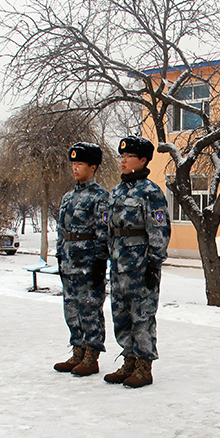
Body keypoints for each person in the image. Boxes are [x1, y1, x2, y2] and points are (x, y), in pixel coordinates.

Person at [103, 135, 170, 388]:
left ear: (142, 160)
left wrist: (154, 263)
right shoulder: (117, 192)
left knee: (142, 316)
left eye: (128, 157)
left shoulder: (151, 192)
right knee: (120, 315)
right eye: (121, 156)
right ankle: (128, 360)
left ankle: (144, 366)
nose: (123, 161)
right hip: (118, 265)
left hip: (140, 265)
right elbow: (111, 229)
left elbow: (159, 230)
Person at [53, 142, 110, 376]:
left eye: (80, 164)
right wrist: (59, 254)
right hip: (68, 261)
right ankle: (77, 348)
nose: (75, 168)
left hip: (87, 263)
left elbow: (103, 232)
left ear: (93, 167)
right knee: (71, 309)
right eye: (73, 164)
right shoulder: (68, 197)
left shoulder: (101, 197)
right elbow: (61, 229)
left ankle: (91, 354)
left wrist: (99, 259)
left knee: (90, 308)